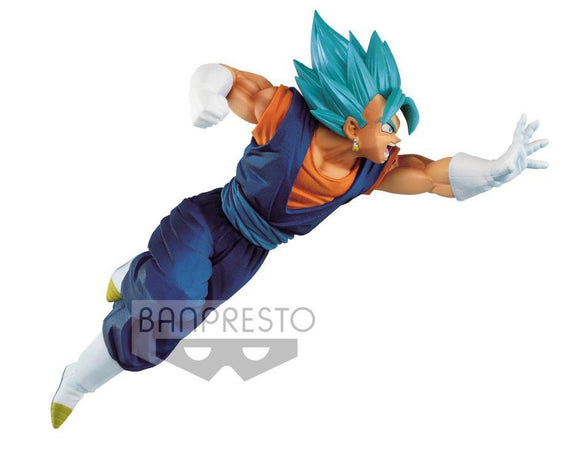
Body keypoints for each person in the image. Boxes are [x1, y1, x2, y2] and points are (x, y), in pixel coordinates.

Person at [51, 11, 549, 428]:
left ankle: (131, 279)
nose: (396, 135)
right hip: (208, 219)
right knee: (166, 311)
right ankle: (77, 381)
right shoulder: (285, 116)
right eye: (387, 123)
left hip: (250, 255)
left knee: (172, 326)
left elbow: (431, 175)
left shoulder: (370, 171)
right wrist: (205, 95)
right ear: (351, 124)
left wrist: (495, 171)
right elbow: (229, 78)